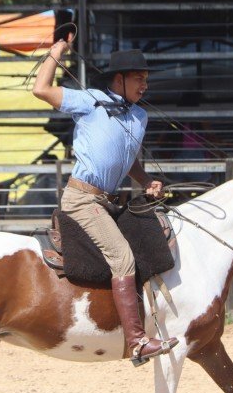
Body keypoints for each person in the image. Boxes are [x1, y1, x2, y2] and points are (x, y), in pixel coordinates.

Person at [33, 43, 179, 366]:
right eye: (138, 78)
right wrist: (56, 52)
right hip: (82, 199)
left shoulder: (139, 116)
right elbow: (40, 89)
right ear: (119, 79)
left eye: (146, 79)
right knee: (123, 258)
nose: (145, 85)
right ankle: (138, 342)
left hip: (109, 200)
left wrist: (145, 180)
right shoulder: (89, 101)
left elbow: (126, 158)